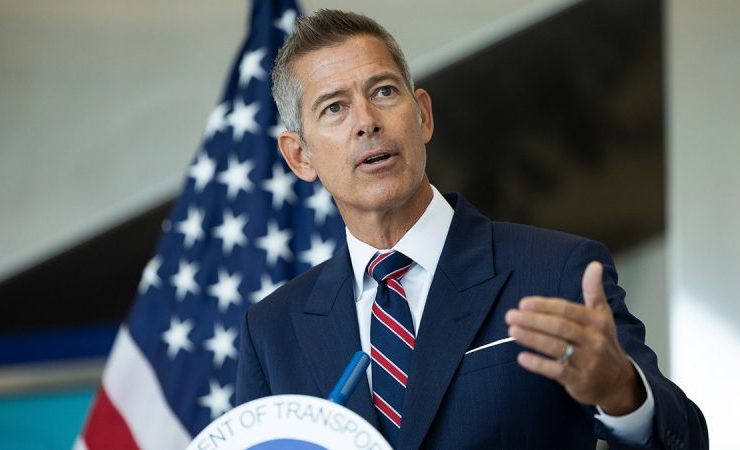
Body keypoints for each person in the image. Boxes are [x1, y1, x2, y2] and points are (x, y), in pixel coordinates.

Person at [236, 9, 707, 449]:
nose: (366, 122)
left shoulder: (558, 270)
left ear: (423, 115)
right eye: (334, 108)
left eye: (383, 92)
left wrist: (621, 390)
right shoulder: (272, 331)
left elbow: (685, 436)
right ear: (300, 156)